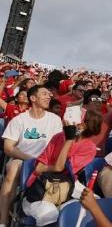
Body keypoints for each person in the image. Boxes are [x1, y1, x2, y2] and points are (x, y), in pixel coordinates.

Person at [22, 110, 102, 226]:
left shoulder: (89, 147)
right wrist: (68, 140)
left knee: (96, 202)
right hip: (40, 189)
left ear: (84, 126)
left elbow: (60, 169)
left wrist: (69, 140)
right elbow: (39, 168)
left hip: (66, 185)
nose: (67, 122)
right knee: (49, 213)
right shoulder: (58, 137)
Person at [0, 85, 63, 226]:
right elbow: (8, 148)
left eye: (49, 94)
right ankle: (3, 220)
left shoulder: (55, 120)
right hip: (21, 159)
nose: (49, 96)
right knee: (14, 169)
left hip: (46, 162)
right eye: (44, 94)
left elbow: (57, 147)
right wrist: (30, 159)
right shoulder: (19, 120)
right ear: (33, 98)